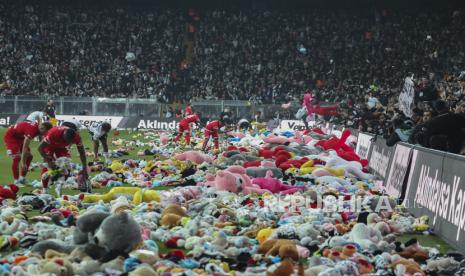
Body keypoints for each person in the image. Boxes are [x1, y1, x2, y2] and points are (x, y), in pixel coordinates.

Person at [38, 126, 88, 193]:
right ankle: (45, 189)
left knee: (67, 166)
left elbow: (82, 153)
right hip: (50, 146)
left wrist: (84, 168)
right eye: (66, 139)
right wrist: (49, 161)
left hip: (62, 148)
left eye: (69, 141)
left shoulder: (77, 137)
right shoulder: (53, 133)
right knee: (48, 165)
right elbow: (40, 148)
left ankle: (58, 184)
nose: (67, 141)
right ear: (64, 134)